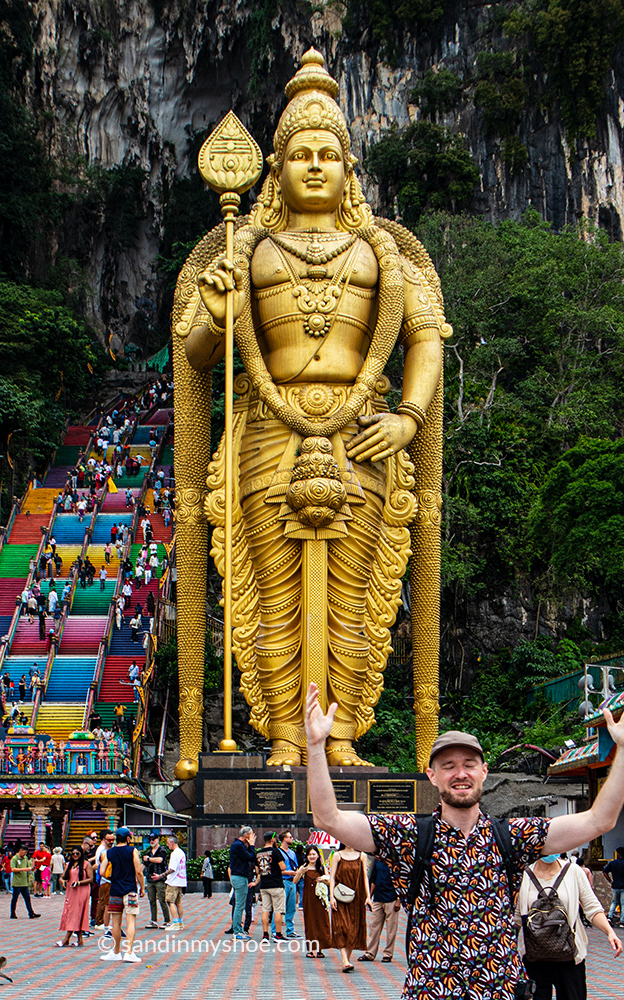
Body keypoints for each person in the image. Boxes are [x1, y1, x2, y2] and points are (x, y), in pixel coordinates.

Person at [173, 50, 450, 771]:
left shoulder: (383, 252)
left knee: (357, 602)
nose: (317, 166)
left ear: (350, 169)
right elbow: (199, 354)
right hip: (269, 431)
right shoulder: (249, 247)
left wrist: (409, 418)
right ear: (277, 168)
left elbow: (424, 342)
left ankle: (347, 737)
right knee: (272, 598)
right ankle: (288, 739)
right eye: (302, 155)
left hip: (366, 434)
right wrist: (215, 300)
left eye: (331, 154)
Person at [305, 682, 624, 1000]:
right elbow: (328, 818)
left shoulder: (511, 835)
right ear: (432, 776)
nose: (460, 773)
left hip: (499, 991)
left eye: (469, 764)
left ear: (484, 771)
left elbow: (599, 820)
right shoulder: (409, 834)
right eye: (448, 765)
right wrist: (317, 746)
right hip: (432, 991)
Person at [519, 852, 623, 1000]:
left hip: (570, 956)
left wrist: (609, 932)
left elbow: (592, 908)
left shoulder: (573, 871)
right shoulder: (524, 875)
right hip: (534, 957)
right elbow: (517, 917)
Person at [100, 828, 144, 963]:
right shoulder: (132, 851)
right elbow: (138, 871)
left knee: (116, 923)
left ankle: (116, 951)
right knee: (131, 921)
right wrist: (142, 887)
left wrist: (112, 876)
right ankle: (129, 952)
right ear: (128, 839)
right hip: (130, 889)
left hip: (115, 889)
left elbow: (102, 871)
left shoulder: (109, 852)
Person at [329, 844, 369, 972]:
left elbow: (365, 877)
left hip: (357, 896)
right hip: (339, 896)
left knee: (353, 928)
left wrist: (368, 896)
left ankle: (347, 960)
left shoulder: (362, 856)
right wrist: (331, 897)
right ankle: (345, 960)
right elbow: (332, 877)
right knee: (341, 926)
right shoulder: (337, 855)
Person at [359, 855, 399, 963]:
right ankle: (370, 953)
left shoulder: (397, 860)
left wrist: (399, 900)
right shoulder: (378, 860)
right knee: (373, 926)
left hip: (392, 898)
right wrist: (369, 897)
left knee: (391, 929)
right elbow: (374, 880)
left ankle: (388, 954)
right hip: (378, 898)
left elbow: (401, 882)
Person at [293, 847, 331, 958]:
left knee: (322, 922)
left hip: (320, 900)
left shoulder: (322, 868)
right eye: (310, 854)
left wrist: (324, 880)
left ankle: (320, 949)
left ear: (318, 855)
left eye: (314, 854)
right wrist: (300, 872)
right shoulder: (304, 868)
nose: (312, 856)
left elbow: (330, 882)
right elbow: (295, 881)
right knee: (310, 923)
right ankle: (311, 949)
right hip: (308, 899)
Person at [57, 846, 92, 947]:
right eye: (73, 854)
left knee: (76, 913)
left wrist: (79, 883)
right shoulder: (69, 865)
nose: (75, 856)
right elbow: (63, 876)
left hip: (81, 891)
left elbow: (90, 879)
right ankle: (80, 939)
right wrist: (62, 880)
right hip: (71, 891)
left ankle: (66, 939)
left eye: (77, 853)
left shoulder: (86, 864)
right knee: (74, 913)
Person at [255, 832, 287, 940]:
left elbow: (257, 870)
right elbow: (283, 867)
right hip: (276, 884)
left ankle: (265, 934)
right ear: (273, 840)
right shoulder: (275, 851)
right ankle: (278, 934)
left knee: (265, 909)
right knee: (278, 910)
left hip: (264, 885)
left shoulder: (258, 853)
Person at [228, 826, 256, 940]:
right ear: (246, 835)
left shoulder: (238, 845)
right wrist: (252, 845)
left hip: (239, 877)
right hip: (239, 877)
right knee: (239, 905)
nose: (253, 836)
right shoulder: (238, 845)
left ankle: (238, 930)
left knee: (240, 904)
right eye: (251, 834)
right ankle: (237, 931)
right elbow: (251, 857)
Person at [602, 847, 624, 927]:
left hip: (615, 885)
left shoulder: (613, 863)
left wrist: (610, 881)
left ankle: (610, 917)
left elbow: (604, 872)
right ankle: (623, 921)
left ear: (617, 854)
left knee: (614, 902)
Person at [142, 834, 170, 929]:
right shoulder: (149, 852)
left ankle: (167, 920)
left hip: (160, 879)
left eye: (153, 839)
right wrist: (137, 874)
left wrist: (149, 859)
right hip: (150, 879)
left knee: (162, 900)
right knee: (152, 900)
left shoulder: (162, 850)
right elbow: (144, 865)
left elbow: (160, 860)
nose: (151, 841)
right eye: (150, 839)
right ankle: (153, 920)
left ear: (157, 840)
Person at [276, 830, 300, 938]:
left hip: (292, 882)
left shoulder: (292, 853)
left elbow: (296, 866)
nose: (292, 839)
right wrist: (287, 872)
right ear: (284, 839)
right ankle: (275, 930)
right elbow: (275, 870)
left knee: (291, 907)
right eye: (290, 837)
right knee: (280, 908)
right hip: (283, 881)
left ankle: (290, 930)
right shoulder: (278, 852)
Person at [164, 834, 187, 931]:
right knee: (178, 902)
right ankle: (181, 922)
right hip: (180, 880)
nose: (167, 844)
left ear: (172, 842)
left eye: (168, 843)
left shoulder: (174, 854)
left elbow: (172, 869)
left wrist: (162, 875)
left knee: (170, 901)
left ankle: (175, 922)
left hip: (173, 881)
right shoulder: (181, 852)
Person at [94, 829, 115, 935]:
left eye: (113, 839)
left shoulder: (111, 850)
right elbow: (101, 869)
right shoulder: (103, 851)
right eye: (109, 839)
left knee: (109, 903)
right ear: (104, 839)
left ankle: (108, 924)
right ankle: (102, 923)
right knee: (105, 903)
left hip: (111, 880)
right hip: (106, 880)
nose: (111, 841)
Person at [9, 846, 39, 920]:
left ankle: (31, 913)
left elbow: (28, 866)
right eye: (24, 852)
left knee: (27, 898)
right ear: (20, 850)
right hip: (17, 882)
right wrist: (25, 869)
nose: (25, 854)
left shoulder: (25, 858)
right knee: (15, 898)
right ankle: (12, 913)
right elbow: (13, 869)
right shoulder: (14, 859)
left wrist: (31, 869)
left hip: (24, 882)